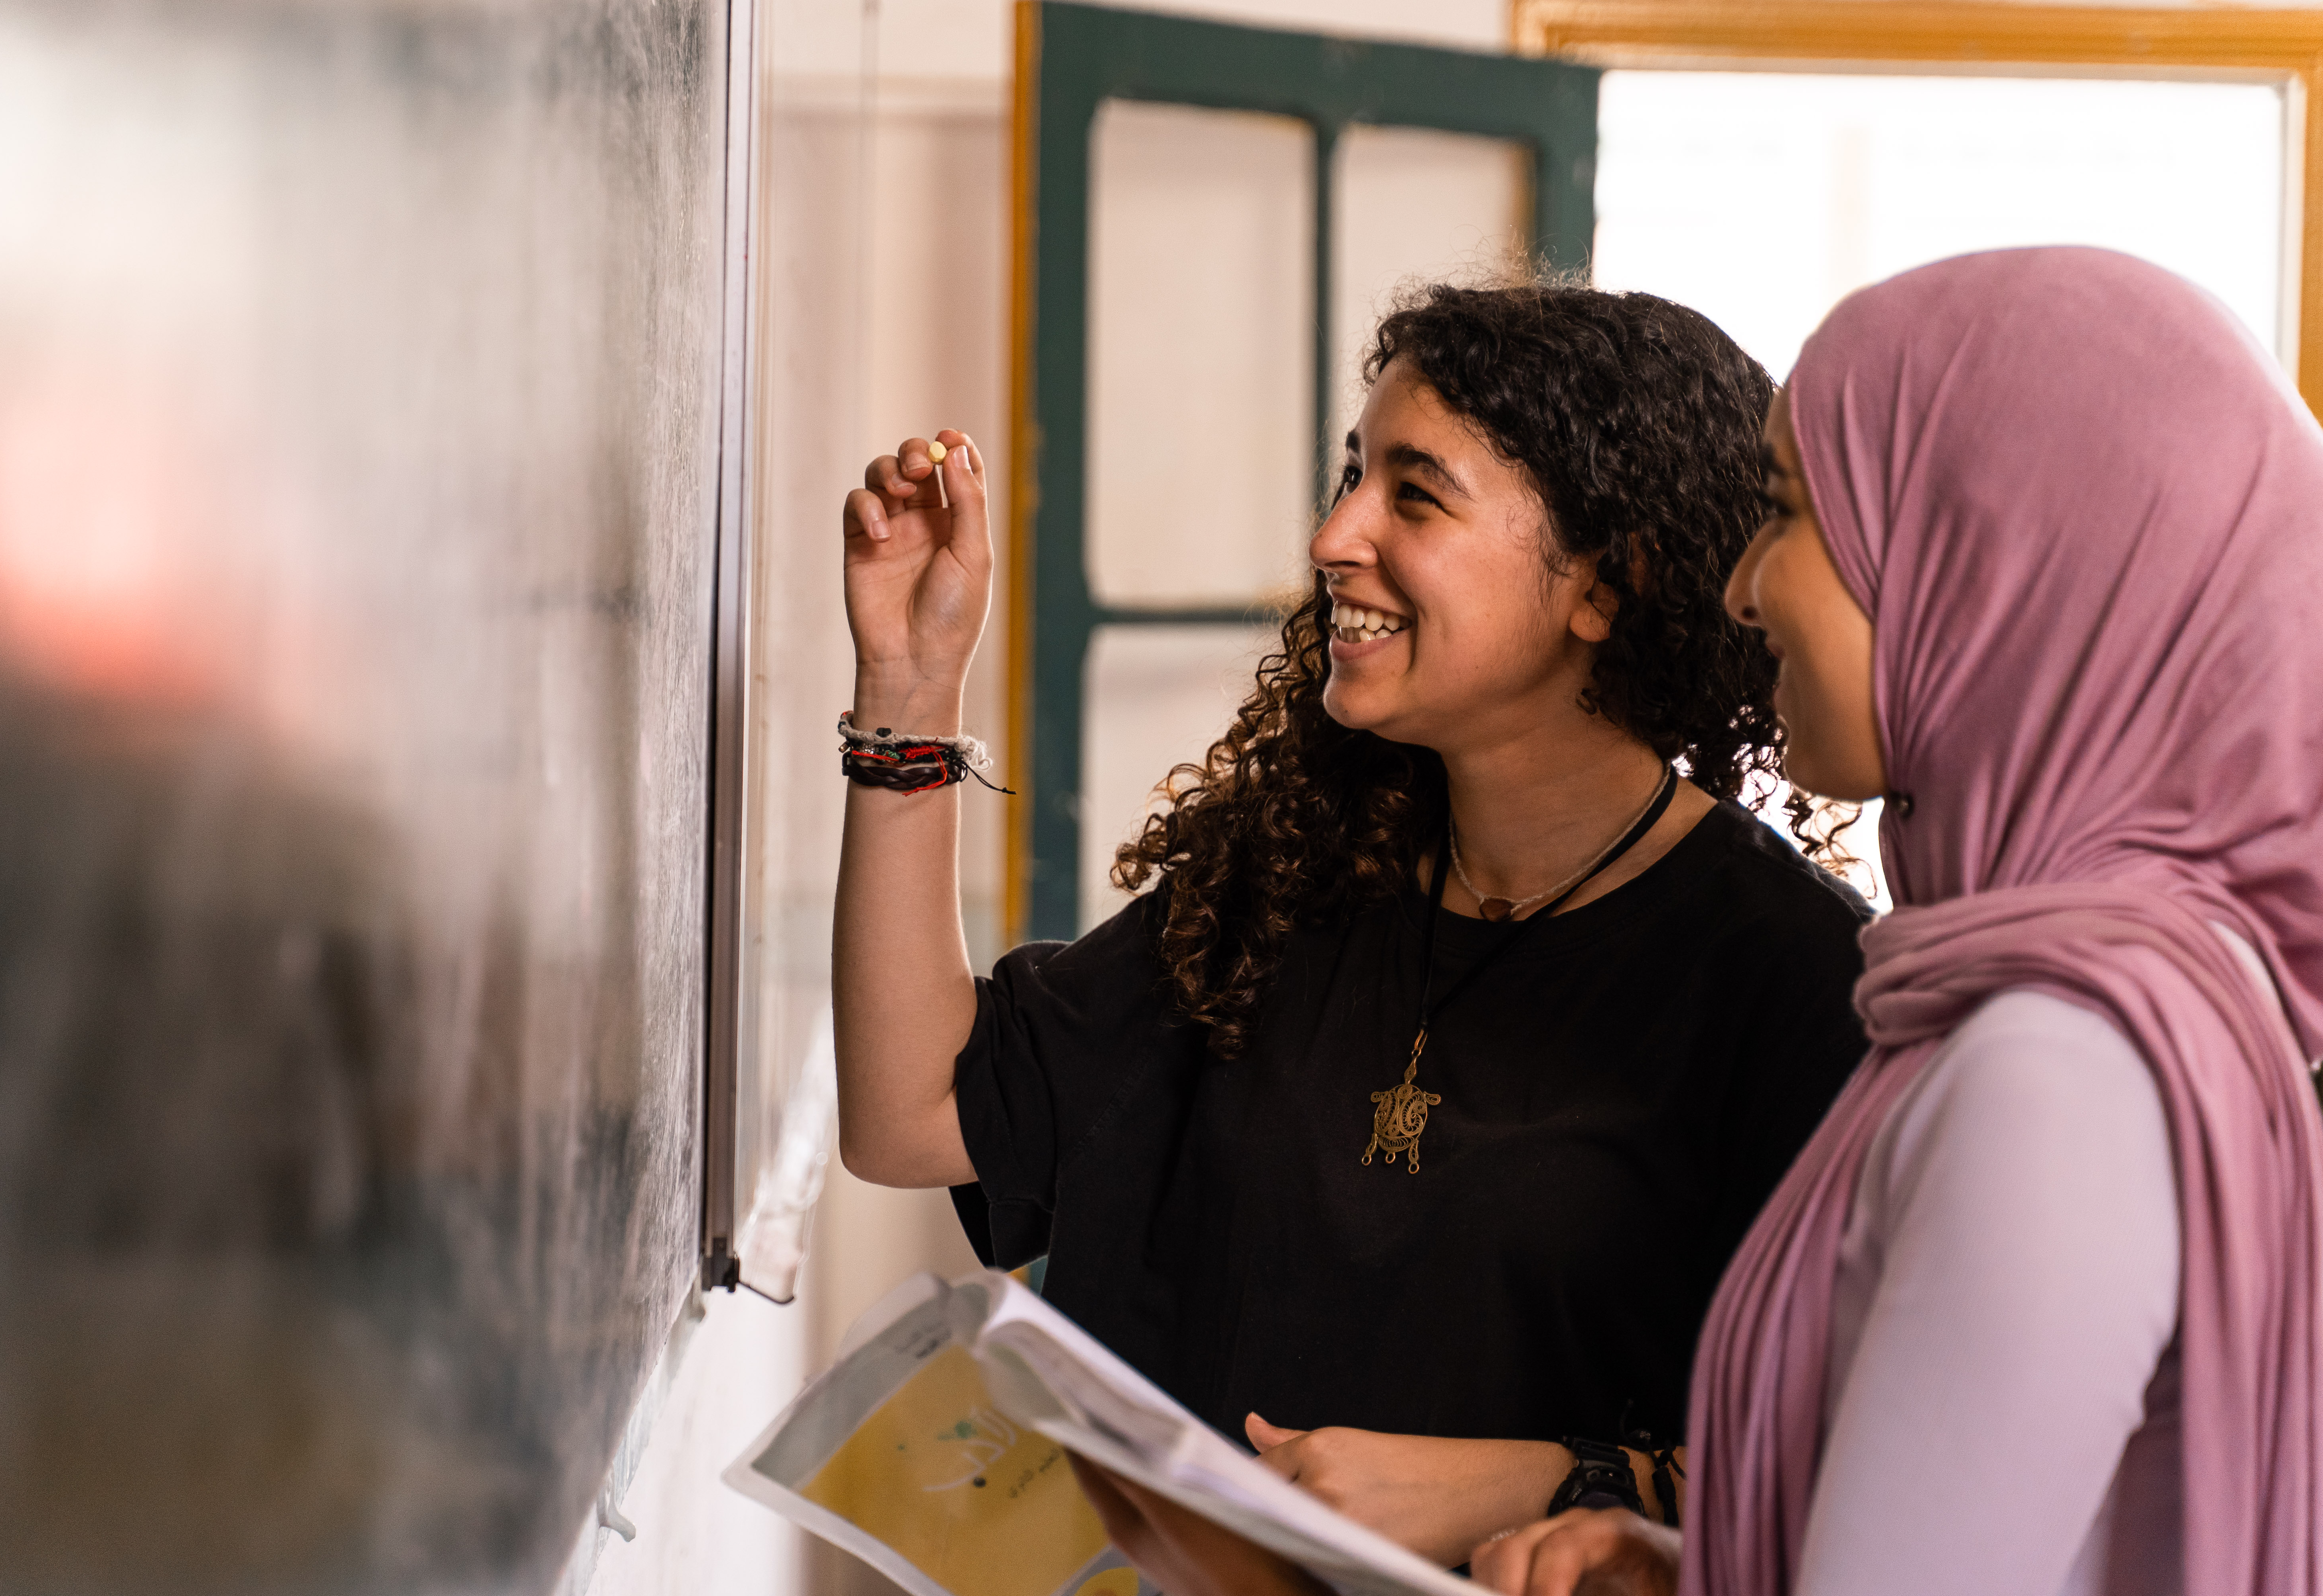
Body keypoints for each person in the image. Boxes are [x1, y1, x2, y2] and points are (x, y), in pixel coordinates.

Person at [1086, 246, 2323, 1595]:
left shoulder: (2053, 1070)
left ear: (1987, 569)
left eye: (1794, 515)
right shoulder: (2102, 1009)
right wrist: (1680, 1566)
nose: (1743, 589)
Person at [834, 281, 1873, 1565]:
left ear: (1607, 585)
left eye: (1414, 495)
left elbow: (1853, 1467)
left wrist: (1548, 1486)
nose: (1335, 535)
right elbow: (914, 1114)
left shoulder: (1801, 981)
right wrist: (909, 688)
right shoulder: (1295, 870)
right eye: (1350, 476)